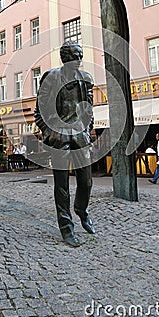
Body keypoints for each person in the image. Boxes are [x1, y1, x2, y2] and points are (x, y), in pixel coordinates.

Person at [34, 40, 95, 247]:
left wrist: (87, 131)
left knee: (86, 182)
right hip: (59, 137)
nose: (78, 60)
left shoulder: (85, 79)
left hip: (80, 135)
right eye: (74, 56)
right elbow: (39, 110)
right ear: (65, 58)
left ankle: (81, 210)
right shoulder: (51, 77)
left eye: (80, 56)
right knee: (62, 186)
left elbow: (89, 109)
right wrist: (49, 132)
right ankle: (67, 228)